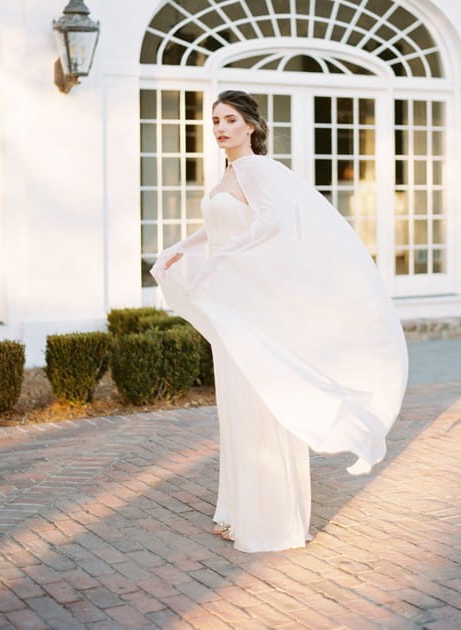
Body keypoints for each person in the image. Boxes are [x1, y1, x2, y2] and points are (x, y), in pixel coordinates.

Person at [151, 90, 408, 553]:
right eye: (215, 121)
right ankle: (235, 510)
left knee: (260, 405)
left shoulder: (260, 170)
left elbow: (270, 226)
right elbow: (219, 227)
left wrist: (219, 263)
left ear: (250, 125)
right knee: (235, 408)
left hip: (252, 307)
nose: (221, 128)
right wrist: (181, 250)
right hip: (232, 305)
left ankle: (273, 521)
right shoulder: (230, 173)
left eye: (230, 119)